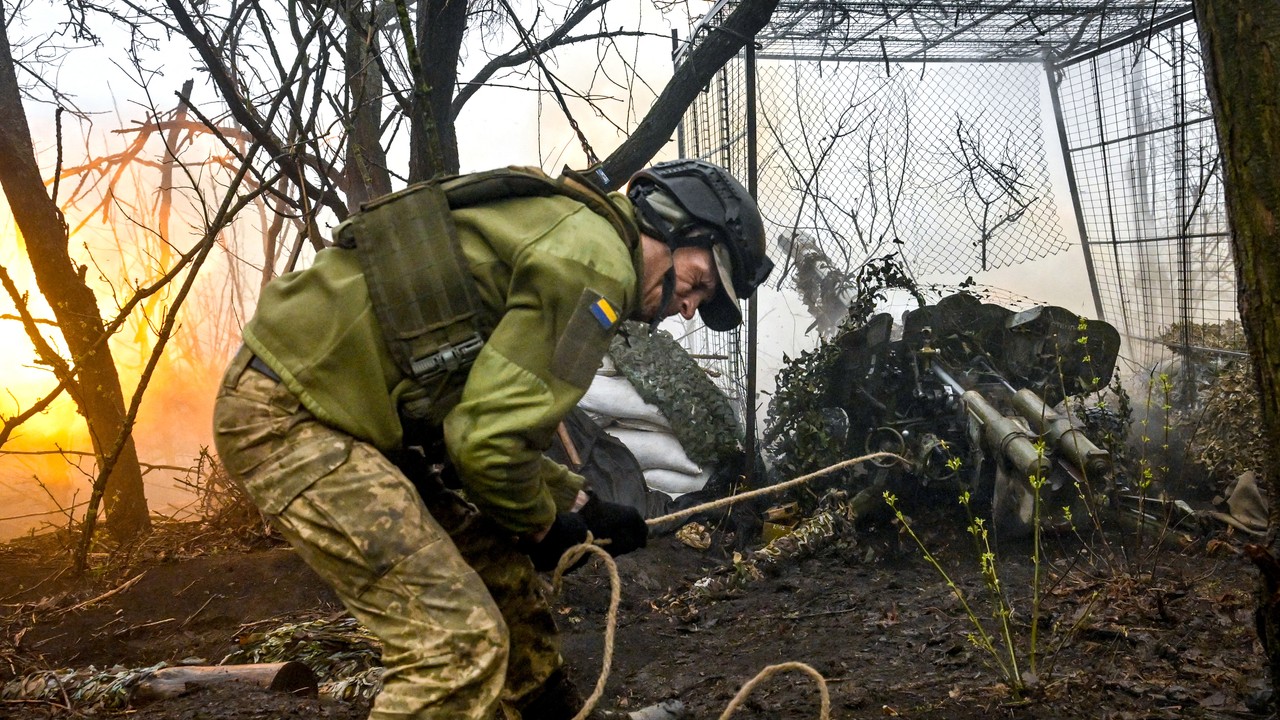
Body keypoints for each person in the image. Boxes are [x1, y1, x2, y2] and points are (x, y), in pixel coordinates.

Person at [212, 159, 773, 719]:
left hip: (337, 411)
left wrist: (582, 505)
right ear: (672, 223)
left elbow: (474, 412)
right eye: (698, 283)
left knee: (502, 582)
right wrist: (546, 527)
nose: (688, 307)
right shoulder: (595, 266)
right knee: (456, 646)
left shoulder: (572, 227)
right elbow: (486, 446)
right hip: (291, 416)